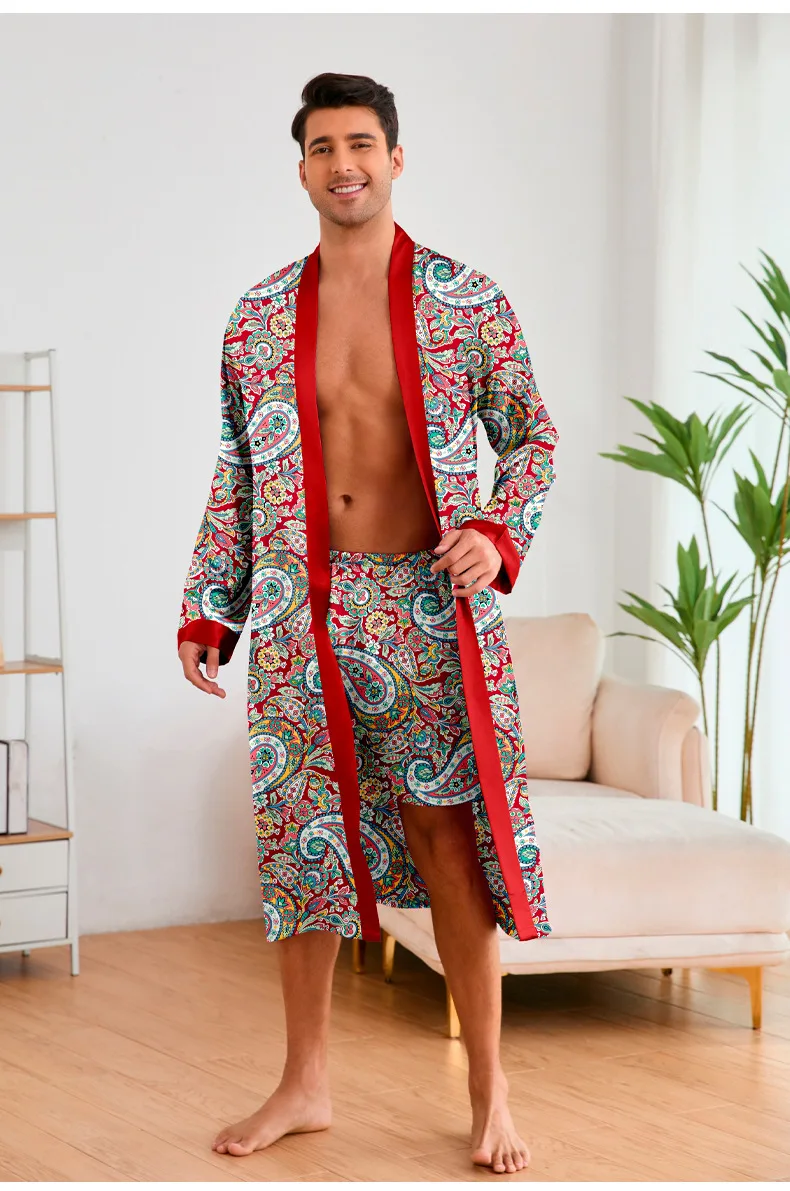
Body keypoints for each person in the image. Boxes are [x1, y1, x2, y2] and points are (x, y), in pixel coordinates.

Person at [177, 71, 560, 1175]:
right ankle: (304, 1083)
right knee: (300, 841)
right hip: (300, 610)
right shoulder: (257, 317)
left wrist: (495, 532)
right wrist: (212, 604)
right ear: (300, 168)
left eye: (360, 143)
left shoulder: (466, 300)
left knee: (447, 841)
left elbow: (532, 437)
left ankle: (488, 1088)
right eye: (321, 147)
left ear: (395, 158)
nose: (342, 163)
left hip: (423, 609)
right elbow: (238, 472)